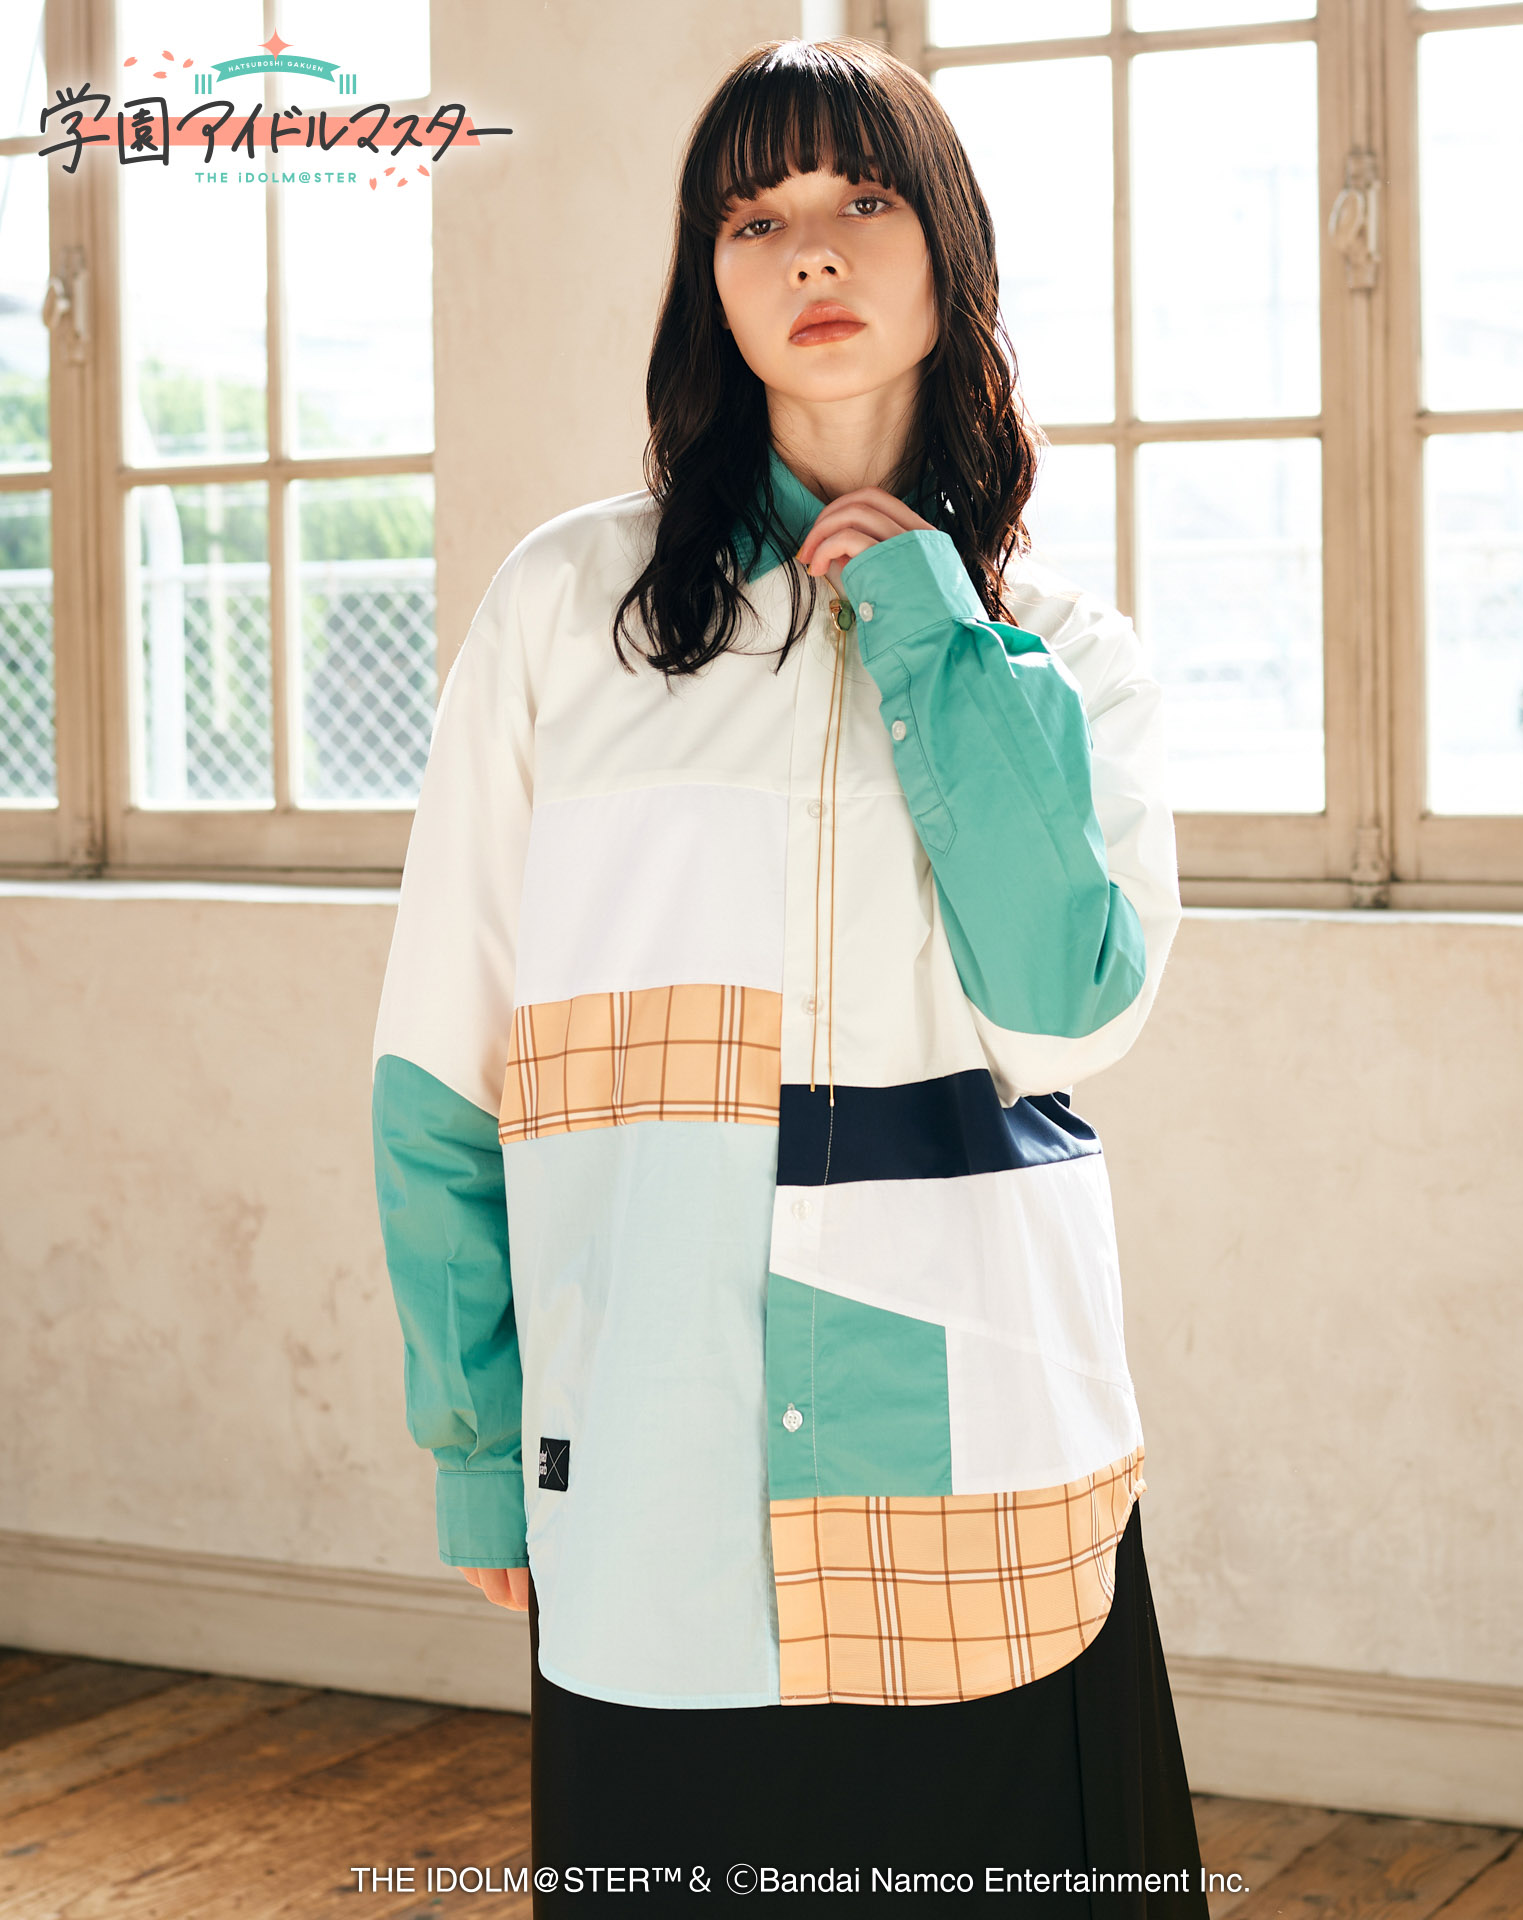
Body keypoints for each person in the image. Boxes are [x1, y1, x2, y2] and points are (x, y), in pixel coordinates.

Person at [371, 34, 1205, 1915]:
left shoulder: (1063, 652)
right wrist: (478, 1440)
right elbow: (441, 1059)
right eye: (757, 216)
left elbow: (1068, 1014)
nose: (812, 250)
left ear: (948, 253)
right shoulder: (565, 614)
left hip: (983, 1463)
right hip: (654, 1447)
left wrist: (929, 634)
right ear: (710, 276)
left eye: (863, 199)